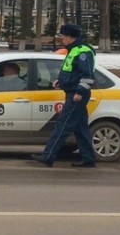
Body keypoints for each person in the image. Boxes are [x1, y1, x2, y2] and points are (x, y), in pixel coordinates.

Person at [31, 23, 96, 168]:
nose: (62, 39)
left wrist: (79, 92)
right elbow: (72, 72)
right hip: (72, 92)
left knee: (63, 125)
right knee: (81, 128)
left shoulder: (83, 52)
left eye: (63, 36)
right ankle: (88, 158)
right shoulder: (73, 50)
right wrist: (60, 82)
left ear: (69, 36)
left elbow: (87, 76)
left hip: (76, 95)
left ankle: (48, 156)